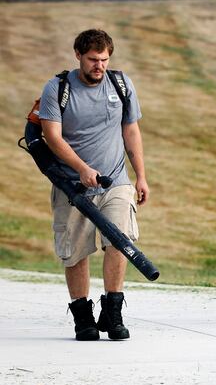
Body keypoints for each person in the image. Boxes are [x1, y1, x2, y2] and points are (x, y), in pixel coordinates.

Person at [38, 29, 148, 340]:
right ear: (78, 56)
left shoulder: (120, 84)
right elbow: (52, 137)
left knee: (120, 241)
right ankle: (83, 317)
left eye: (104, 59)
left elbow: (131, 131)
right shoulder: (57, 88)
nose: (99, 66)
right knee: (76, 252)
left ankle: (112, 313)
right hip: (72, 187)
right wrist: (82, 169)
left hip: (116, 182)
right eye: (92, 60)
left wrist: (140, 175)